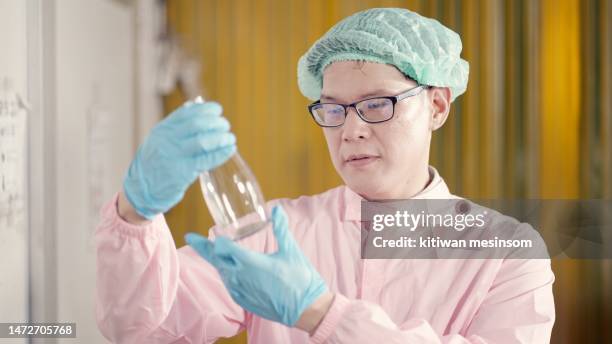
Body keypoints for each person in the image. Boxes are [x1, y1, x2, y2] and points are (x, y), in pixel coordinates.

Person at [95, 8, 555, 343]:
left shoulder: (509, 257)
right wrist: (135, 213)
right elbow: (140, 330)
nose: (351, 130)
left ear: (437, 105)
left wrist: (320, 313)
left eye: (377, 104)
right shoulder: (274, 234)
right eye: (332, 109)